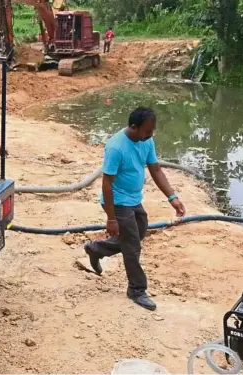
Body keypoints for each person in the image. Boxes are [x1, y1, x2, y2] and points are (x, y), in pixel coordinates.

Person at [83, 106, 186, 311]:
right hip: (117, 201)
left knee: (139, 232)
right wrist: (111, 219)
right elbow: (106, 184)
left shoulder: (146, 141)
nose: (151, 135)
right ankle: (137, 289)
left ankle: (96, 249)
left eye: (152, 131)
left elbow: (155, 169)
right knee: (132, 246)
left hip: (134, 199)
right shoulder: (116, 147)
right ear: (134, 127)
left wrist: (172, 197)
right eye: (147, 131)